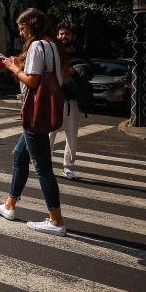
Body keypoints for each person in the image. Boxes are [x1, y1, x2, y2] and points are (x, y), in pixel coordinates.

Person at [0, 7, 68, 236]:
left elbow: (33, 81)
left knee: (44, 168)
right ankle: (9, 206)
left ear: (32, 25)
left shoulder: (37, 46)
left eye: (23, 28)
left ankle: (56, 222)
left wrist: (14, 68)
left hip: (35, 114)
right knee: (19, 155)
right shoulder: (53, 45)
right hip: (45, 111)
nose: (21, 33)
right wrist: (17, 64)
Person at [52, 22, 81, 179]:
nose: (64, 37)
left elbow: (87, 73)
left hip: (73, 99)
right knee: (50, 132)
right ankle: (44, 164)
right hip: (55, 98)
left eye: (67, 34)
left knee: (72, 135)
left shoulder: (80, 54)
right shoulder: (54, 52)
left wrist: (75, 71)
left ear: (73, 36)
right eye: (61, 34)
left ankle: (68, 167)